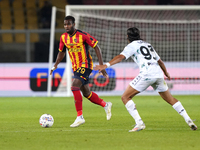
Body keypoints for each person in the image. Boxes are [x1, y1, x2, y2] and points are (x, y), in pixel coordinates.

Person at [94, 27, 197, 132]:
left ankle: (139, 123)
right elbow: (160, 61)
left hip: (147, 74)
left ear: (127, 37)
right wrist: (166, 72)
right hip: (158, 74)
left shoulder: (131, 46)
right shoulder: (148, 45)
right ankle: (188, 119)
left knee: (125, 97)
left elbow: (121, 57)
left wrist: (105, 65)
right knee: (170, 99)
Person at [50, 16, 112, 128]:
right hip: (75, 67)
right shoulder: (63, 37)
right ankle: (106, 104)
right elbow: (61, 52)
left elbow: (96, 47)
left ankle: (80, 117)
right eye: (65, 24)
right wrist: (55, 65)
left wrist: (102, 66)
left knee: (74, 87)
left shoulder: (82, 35)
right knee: (87, 93)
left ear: (74, 24)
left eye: (68, 24)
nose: (66, 26)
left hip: (86, 65)